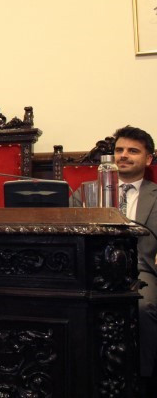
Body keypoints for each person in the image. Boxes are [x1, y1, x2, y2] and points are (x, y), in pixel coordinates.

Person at [71, 125, 157, 392]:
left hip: (139, 270)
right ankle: (74, 373)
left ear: (148, 159)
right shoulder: (85, 191)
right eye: (119, 150)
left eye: (133, 151)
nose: (124, 155)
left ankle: (144, 379)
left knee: (144, 308)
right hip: (87, 269)